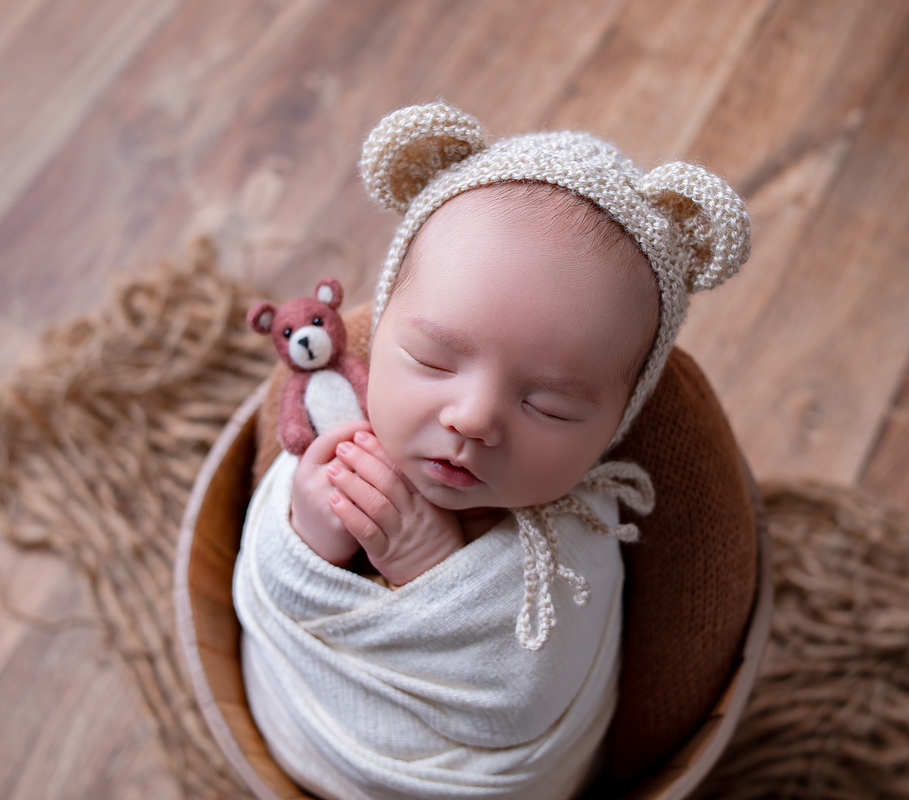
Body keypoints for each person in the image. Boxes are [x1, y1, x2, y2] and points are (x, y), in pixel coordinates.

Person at [233, 102, 750, 800]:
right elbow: (268, 590)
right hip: (304, 735)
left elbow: (524, 698)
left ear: (616, 428)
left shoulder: (579, 543)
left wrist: (428, 568)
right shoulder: (335, 426)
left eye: (549, 405)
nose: (473, 418)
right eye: (433, 360)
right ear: (379, 333)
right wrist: (304, 534)